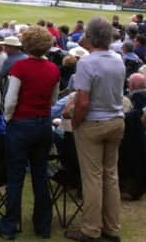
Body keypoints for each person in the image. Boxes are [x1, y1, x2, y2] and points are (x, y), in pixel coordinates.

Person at [0, 26, 60, 239]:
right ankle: (43, 225)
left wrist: (8, 119)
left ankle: (10, 225)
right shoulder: (53, 69)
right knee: (40, 176)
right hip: (43, 125)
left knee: (15, 177)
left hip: (22, 124)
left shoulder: (20, 67)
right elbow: (53, 99)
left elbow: (11, 100)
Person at [65, 17, 125, 242]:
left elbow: (82, 102)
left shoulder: (87, 63)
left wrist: (75, 123)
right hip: (115, 121)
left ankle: (91, 230)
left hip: (94, 123)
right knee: (110, 176)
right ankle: (112, 228)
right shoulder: (117, 59)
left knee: (92, 178)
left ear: (90, 37)